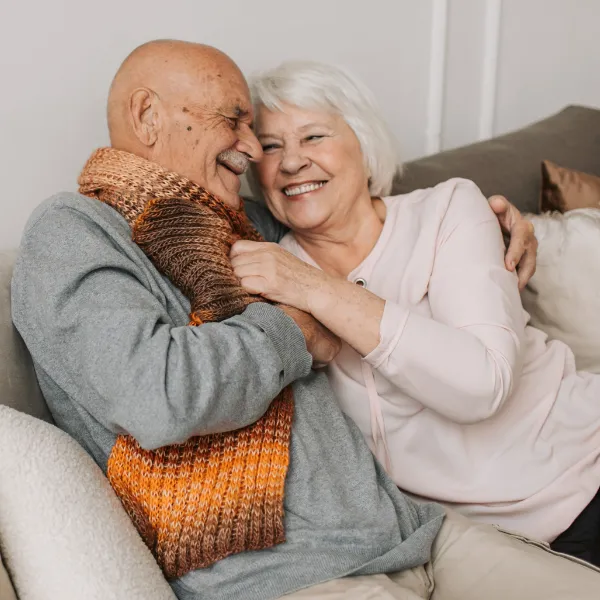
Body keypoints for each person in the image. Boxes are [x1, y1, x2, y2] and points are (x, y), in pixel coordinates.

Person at [10, 40, 598, 600]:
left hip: (414, 532)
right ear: (147, 115)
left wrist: (506, 223)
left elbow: (356, 211)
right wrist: (296, 330)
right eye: (237, 122)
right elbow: (156, 395)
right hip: (294, 571)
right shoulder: (73, 231)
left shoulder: (245, 225)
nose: (253, 151)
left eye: (260, 132)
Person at [231, 59, 600, 566]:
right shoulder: (268, 271)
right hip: (489, 545)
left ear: (363, 144)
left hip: (585, 463)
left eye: (313, 136)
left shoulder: (448, 209)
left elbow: (482, 384)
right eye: (271, 146)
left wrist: (316, 289)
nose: (292, 162)